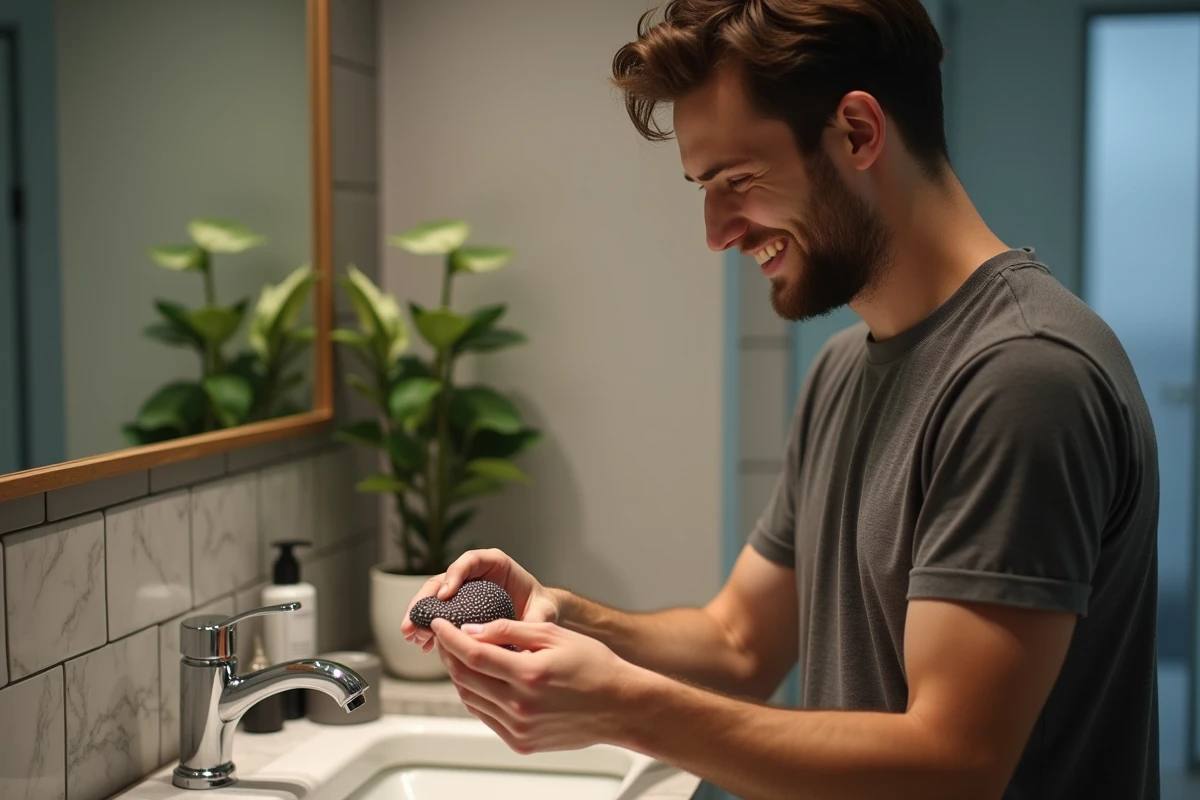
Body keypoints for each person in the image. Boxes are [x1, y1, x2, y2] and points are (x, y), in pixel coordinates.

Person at [401, 1, 1161, 797]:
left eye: (739, 179)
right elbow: (740, 643)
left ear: (858, 132)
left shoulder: (1022, 377)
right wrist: (559, 610)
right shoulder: (842, 372)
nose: (717, 232)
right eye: (705, 187)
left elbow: (952, 766)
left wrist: (625, 708)